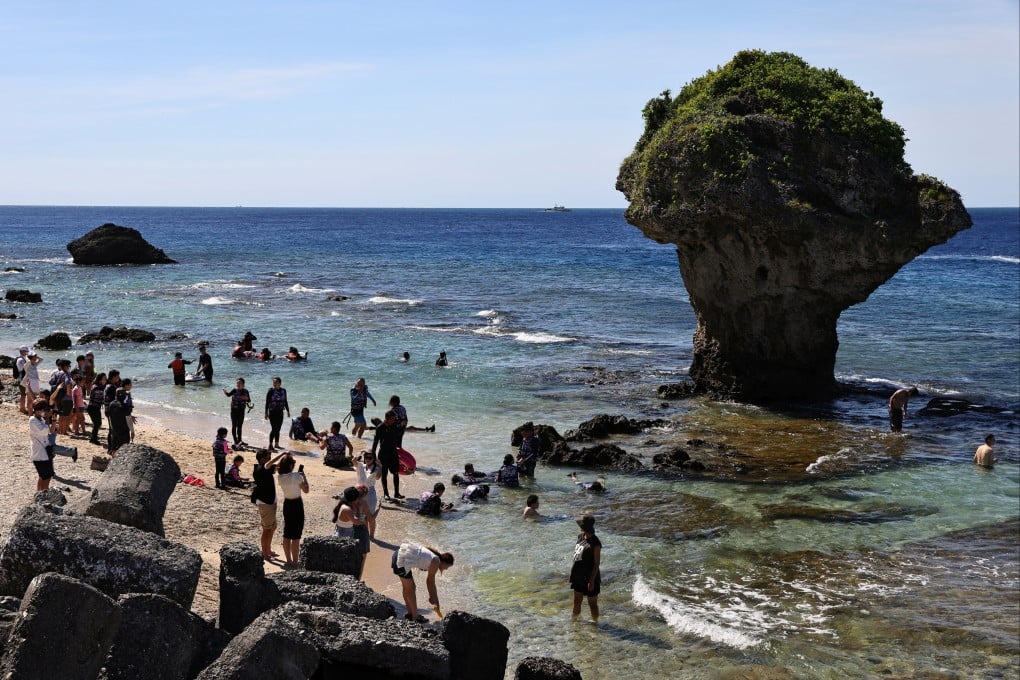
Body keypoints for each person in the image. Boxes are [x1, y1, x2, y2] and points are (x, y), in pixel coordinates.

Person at [391, 543, 454, 622]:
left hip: (397, 555)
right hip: (401, 561)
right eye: (447, 566)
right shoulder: (436, 561)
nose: (446, 569)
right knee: (411, 589)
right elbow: (430, 583)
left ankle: (410, 613)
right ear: (445, 562)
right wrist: (435, 601)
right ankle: (415, 617)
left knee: (407, 588)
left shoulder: (432, 555)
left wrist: (432, 597)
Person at [251, 448, 288, 561]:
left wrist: (287, 462)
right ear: (262, 459)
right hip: (265, 503)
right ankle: (265, 554)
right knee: (266, 529)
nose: (270, 460)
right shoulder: (261, 468)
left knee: (272, 527)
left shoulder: (265, 468)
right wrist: (282, 453)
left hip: (270, 501)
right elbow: (271, 464)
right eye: (268, 458)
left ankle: (268, 549)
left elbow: (276, 466)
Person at [276, 455, 309, 567]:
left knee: (287, 532)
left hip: (287, 504)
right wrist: (304, 477)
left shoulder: (280, 477)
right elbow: (306, 490)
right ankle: (295, 562)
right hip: (297, 504)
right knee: (296, 535)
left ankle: (289, 560)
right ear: (290, 465)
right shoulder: (296, 476)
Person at [332, 485, 370, 577]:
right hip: (344, 537)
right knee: (344, 562)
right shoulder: (347, 509)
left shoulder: (343, 505)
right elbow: (360, 522)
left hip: (341, 533)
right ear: (354, 499)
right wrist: (361, 510)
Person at [570, 514, 602, 622]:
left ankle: (595, 624)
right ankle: (574, 624)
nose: (579, 526)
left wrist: (591, 581)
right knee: (576, 602)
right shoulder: (580, 537)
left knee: (592, 605)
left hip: (590, 578)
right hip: (578, 576)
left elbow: (597, 563)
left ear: (585, 527)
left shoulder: (595, 543)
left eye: (581, 524)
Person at [372, 410, 403, 501]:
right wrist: (373, 454)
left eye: (395, 419)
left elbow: (398, 439)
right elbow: (375, 441)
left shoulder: (395, 426)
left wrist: (401, 451)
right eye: (393, 419)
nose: (394, 420)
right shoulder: (380, 427)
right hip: (384, 453)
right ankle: (386, 494)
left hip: (393, 453)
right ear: (387, 419)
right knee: (384, 474)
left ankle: (397, 493)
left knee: (396, 473)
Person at [29, 400, 57, 491]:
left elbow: (51, 431)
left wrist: (53, 420)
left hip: (45, 452)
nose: (44, 412)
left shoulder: (41, 419)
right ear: (37, 410)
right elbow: (43, 431)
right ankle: (44, 496)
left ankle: (39, 494)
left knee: (43, 476)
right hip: (39, 454)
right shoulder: (32, 420)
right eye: (43, 410)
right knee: (46, 477)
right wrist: (47, 419)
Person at [356, 450, 382, 538]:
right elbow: (353, 460)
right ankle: (365, 534)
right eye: (366, 457)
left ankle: (372, 535)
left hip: (370, 493)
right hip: (360, 493)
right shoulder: (361, 466)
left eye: (370, 457)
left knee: (370, 517)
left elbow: (378, 477)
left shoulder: (376, 468)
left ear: (374, 458)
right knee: (362, 516)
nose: (367, 459)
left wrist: (379, 465)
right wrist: (361, 452)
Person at [223, 377, 251, 446]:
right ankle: (235, 441)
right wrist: (225, 391)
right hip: (234, 411)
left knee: (240, 426)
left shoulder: (246, 391)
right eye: (237, 383)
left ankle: (240, 440)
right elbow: (228, 395)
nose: (238, 384)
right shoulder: (234, 390)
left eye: (240, 383)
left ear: (243, 384)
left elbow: (249, 400)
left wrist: (246, 398)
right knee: (234, 426)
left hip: (241, 411)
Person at [264, 377, 290, 451]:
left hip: (280, 412)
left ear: (280, 383)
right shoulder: (271, 390)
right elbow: (267, 402)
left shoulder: (284, 391)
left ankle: (277, 444)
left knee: (278, 429)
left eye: (276, 382)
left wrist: (288, 411)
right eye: (274, 382)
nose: (274, 383)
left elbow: (285, 401)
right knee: (274, 428)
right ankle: (270, 444)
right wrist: (266, 413)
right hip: (272, 412)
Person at [106, 387, 132, 455]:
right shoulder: (124, 406)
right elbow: (128, 419)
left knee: (114, 449)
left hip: (114, 431)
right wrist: (132, 431)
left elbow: (108, 415)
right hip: (124, 432)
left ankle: (113, 462)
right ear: (122, 395)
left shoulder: (111, 404)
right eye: (125, 394)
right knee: (124, 450)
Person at [86, 372, 107, 445]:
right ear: (100, 380)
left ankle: (93, 438)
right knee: (97, 423)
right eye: (104, 379)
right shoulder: (97, 387)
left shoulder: (98, 386)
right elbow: (101, 398)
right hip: (93, 408)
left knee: (97, 424)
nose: (105, 380)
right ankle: (93, 439)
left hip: (95, 408)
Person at [15, 345, 30, 414]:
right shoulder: (20, 359)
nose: (27, 352)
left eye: (27, 351)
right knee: (23, 395)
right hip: (21, 379)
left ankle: (23, 408)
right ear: (21, 351)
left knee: (24, 394)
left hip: (22, 379)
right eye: (25, 351)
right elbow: (20, 369)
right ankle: (22, 408)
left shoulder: (23, 358)